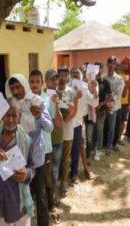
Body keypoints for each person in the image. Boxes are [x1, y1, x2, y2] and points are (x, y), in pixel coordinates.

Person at [5, 73, 53, 226]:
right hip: (18, 158)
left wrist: (39, 117)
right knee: (23, 195)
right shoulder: (10, 104)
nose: (16, 91)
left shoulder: (36, 101)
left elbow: (49, 127)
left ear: (24, 85)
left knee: (40, 195)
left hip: (36, 157)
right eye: (12, 88)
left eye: (18, 87)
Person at [0, 98, 35, 225]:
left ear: (20, 116)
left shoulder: (27, 141)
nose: (10, 119)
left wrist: (26, 174)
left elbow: (32, 167)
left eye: (14, 115)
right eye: (7, 115)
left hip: (18, 205)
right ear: (2, 115)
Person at [29, 69, 63, 224]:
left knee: (46, 182)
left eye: (37, 81)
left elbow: (54, 124)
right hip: (28, 150)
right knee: (31, 184)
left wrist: (55, 105)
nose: (35, 84)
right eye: (32, 81)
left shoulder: (47, 99)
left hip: (45, 147)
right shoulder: (25, 99)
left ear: (42, 83)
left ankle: (50, 208)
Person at [69, 67, 98, 183]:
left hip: (77, 124)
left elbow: (94, 103)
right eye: (73, 73)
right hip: (66, 123)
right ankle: (63, 171)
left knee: (76, 149)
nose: (75, 74)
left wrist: (95, 89)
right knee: (65, 150)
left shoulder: (85, 89)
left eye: (78, 73)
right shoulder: (66, 87)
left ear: (81, 76)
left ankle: (74, 173)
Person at [56, 66, 81, 197]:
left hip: (67, 129)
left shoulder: (71, 92)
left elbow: (75, 111)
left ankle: (64, 182)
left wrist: (69, 114)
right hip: (55, 130)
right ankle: (56, 180)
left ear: (68, 77)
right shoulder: (52, 92)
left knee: (65, 158)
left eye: (65, 76)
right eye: (60, 75)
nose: (63, 78)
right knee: (56, 157)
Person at [44, 69, 64, 223]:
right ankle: (46, 198)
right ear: (46, 81)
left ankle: (53, 195)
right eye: (52, 80)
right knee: (46, 173)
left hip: (57, 138)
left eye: (56, 80)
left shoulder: (60, 95)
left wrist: (57, 104)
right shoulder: (41, 97)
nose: (55, 82)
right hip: (45, 142)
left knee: (55, 169)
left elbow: (60, 121)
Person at [103, 56, 125, 155]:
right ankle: (104, 144)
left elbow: (118, 95)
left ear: (116, 65)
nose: (111, 65)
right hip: (104, 106)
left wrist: (109, 105)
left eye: (113, 64)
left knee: (112, 127)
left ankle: (109, 146)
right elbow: (102, 93)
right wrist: (105, 104)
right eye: (110, 63)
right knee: (104, 126)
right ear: (107, 64)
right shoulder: (103, 77)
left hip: (114, 107)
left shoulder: (119, 79)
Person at [91, 62, 112, 160]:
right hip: (91, 110)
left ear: (102, 69)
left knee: (99, 129)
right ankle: (91, 148)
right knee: (91, 130)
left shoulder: (105, 82)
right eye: (96, 68)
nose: (98, 70)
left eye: (100, 68)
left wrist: (101, 104)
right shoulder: (90, 81)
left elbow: (110, 97)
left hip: (101, 110)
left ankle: (99, 149)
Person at [116, 57, 130, 145]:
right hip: (115, 101)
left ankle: (119, 138)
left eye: (126, 64)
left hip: (124, 103)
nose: (124, 66)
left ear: (128, 66)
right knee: (115, 121)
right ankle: (114, 138)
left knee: (122, 121)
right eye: (122, 64)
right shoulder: (117, 73)